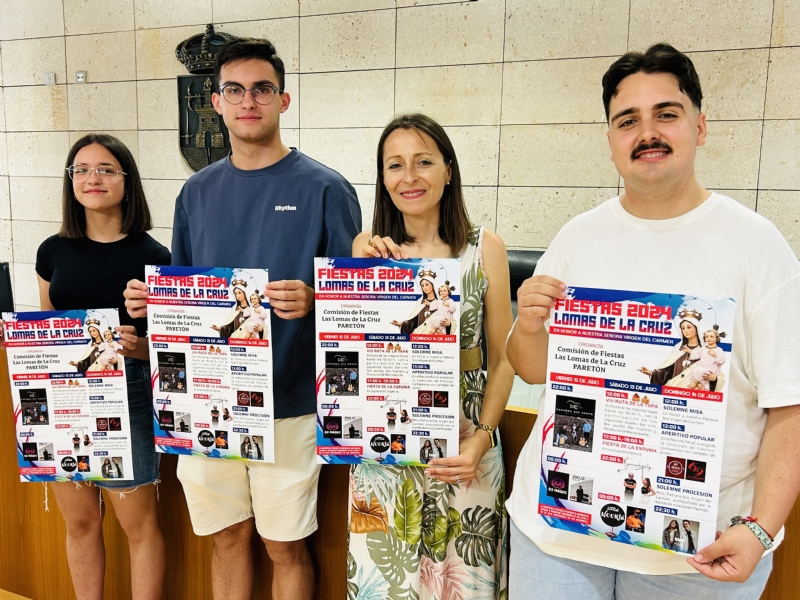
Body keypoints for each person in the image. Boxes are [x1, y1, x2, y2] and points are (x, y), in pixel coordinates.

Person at [506, 43, 800, 597]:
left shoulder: (759, 247)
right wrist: (526, 326)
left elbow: (790, 403)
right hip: (558, 533)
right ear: (611, 140)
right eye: (628, 120)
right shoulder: (577, 237)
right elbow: (531, 369)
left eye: (666, 113)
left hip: (696, 551)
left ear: (700, 126)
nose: (648, 132)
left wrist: (761, 528)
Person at [123, 37, 360, 600]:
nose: (248, 100)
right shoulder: (196, 193)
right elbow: (185, 299)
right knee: (227, 539)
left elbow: (362, 309)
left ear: (284, 100)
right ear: (216, 101)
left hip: (290, 404)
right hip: (209, 400)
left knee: (284, 547)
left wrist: (317, 299)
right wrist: (154, 303)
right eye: (235, 90)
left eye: (262, 89)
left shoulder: (326, 189)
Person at [349, 113, 515, 598]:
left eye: (423, 161)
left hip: (466, 439)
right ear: (382, 179)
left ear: (448, 168)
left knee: (460, 582)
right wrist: (359, 274)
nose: (410, 176)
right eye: (394, 165)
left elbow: (503, 356)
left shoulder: (484, 248)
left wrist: (482, 440)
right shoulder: (369, 250)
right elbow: (346, 352)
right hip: (387, 440)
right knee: (386, 580)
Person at [34, 133, 168, 599]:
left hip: (127, 394)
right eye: (82, 169)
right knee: (82, 521)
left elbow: (169, 348)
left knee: (138, 524)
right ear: (71, 182)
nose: (93, 178)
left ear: (127, 182)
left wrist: (139, 347)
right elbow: (49, 330)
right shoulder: (52, 251)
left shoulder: (154, 257)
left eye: (106, 169)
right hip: (65, 394)